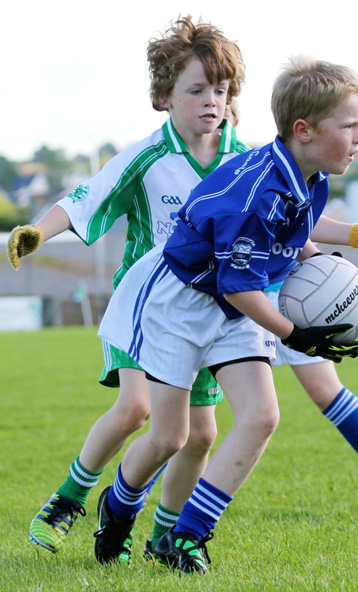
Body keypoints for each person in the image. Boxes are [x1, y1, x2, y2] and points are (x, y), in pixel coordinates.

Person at [95, 54, 358, 575]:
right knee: (169, 438)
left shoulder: (308, 178)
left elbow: (297, 236)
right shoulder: (257, 192)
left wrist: (347, 264)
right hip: (178, 304)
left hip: (228, 306)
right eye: (351, 125)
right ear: (304, 130)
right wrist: (299, 335)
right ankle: (119, 504)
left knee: (262, 416)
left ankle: (187, 537)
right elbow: (240, 286)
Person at [7, 16, 248, 562]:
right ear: (164, 96)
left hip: (205, 316)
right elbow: (84, 197)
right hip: (139, 310)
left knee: (200, 435)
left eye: (220, 89)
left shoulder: (245, 162)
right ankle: (68, 500)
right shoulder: (147, 157)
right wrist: (35, 232)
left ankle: (165, 537)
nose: (211, 100)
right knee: (138, 410)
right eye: (196, 90)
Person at [225, 103, 358, 514]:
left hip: (277, 288)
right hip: (223, 293)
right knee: (187, 411)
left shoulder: (257, 159)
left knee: (322, 387)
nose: (216, 109)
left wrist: (327, 262)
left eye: (226, 100)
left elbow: (294, 229)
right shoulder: (218, 167)